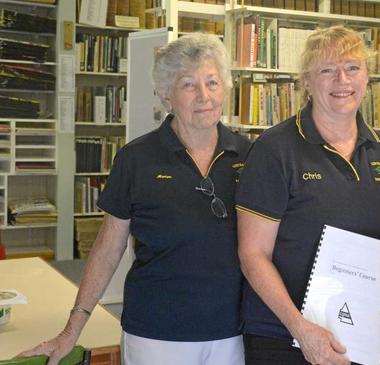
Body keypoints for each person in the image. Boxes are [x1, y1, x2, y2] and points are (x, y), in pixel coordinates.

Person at [18, 33, 250, 365]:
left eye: (212, 83)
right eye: (188, 85)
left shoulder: (250, 156)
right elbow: (108, 247)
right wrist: (71, 331)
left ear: (225, 88)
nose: (204, 96)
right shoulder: (136, 159)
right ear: (166, 95)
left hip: (232, 333)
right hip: (155, 333)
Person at [235, 25, 380, 365]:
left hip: (361, 335)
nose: (342, 80)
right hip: (283, 337)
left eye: (352, 68)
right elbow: (252, 254)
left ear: (367, 77)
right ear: (307, 83)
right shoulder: (275, 150)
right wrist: (300, 328)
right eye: (327, 70)